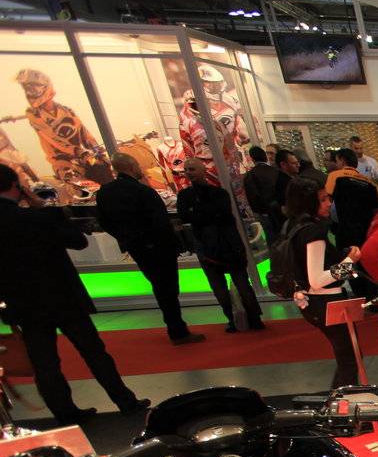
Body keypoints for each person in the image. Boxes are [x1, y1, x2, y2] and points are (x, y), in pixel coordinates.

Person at [0, 164, 147, 422]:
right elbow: (78, 241)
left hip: (24, 303)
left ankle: (65, 413)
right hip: (62, 296)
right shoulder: (35, 218)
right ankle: (124, 401)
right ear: (16, 187)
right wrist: (44, 208)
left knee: (45, 363)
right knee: (93, 351)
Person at [96, 153, 203, 345]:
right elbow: (160, 221)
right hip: (158, 246)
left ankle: (176, 327)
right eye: (137, 164)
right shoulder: (142, 191)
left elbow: (104, 222)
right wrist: (174, 244)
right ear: (130, 166)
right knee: (167, 288)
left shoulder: (105, 193)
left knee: (160, 286)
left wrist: (126, 239)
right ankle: (177, 330)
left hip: (137, 247)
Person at [282, 177, 361, 390]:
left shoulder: (294, 225)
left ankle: (342, 407)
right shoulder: (312, 231)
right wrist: (349, 261)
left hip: (314, 302)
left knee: (348, 356)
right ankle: (344, 412)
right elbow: (317, 280)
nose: (328, 203)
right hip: (326, 301)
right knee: (349, 357)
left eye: (328, 198)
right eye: (323, 199)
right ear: (308, 202)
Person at [176, 158, 264, 333]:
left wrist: (198, 214)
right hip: (210, 245)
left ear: (202, 170)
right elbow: (187, 216)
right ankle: (236, 319)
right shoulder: (188, 196)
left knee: (239, 283)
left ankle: (251, 318)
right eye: (186, 170)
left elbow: (212, 215)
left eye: (192, 169)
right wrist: (202, 215)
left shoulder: (217, 194)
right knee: (221, 286)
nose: (188, 173)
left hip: (225, 244)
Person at [327, 149, 378, 253]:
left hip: (344, 231)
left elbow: (328, 202)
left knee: (346, 263)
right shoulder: (368, 181)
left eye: (337, 160)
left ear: (342, 160)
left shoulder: (334, 176)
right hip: (366, 232)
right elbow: (377, 206)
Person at [241, 145, 282, 242]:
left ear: (252, 158)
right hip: (279, 211)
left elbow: (253, 198)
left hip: (265, 214)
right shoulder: (275, 171)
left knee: (272, 240)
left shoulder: (250, 176)